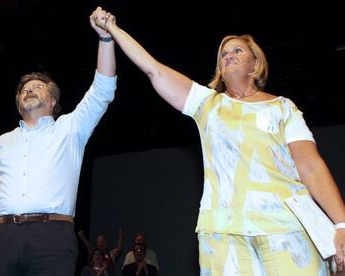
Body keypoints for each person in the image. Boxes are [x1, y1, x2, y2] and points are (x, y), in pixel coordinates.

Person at [93, 8, 345, 275]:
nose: (228, 56)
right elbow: (153, 69)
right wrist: (113, 30)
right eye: (223, 54)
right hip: (223, 235)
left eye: (237, 51)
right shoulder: (207, 103)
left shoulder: (283, 108)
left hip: (285, 227)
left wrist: (341, 224)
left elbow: (310, 166)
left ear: (255, 64)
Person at [0, 7, 116, 276]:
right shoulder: (1, 142)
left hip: (51, 237)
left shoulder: (70, 129)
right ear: (19, 103)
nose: (29, 89)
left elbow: (102, 90)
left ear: (53, 101)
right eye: (24, 89)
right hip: (1, 238)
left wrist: (105, 38)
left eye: (37, 86)